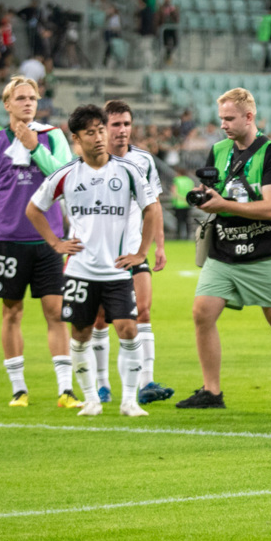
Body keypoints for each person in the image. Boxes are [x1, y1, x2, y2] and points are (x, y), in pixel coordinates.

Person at [177, 88, 271, 410]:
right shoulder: (219, 150)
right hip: (224, 249)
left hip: (264, 251)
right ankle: (212, 392)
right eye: (221, 118)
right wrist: (205, 196)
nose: (222, 124)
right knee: (202, 313)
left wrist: (222, 204)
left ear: (249, 117)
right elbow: (214, 191)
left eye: (229, 118)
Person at [24, 104, 152, 418]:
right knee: (80, 334)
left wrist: (141, 252)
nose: (98, 137)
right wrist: (55, 242)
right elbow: (33, 209)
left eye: (100, 130)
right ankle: (92, 398)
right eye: (90, 133)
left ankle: (129, 401)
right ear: (77, 139)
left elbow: (152, 209)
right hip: (80, 272)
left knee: (128, 330)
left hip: (117, 269)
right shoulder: (66, 175)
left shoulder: (127, 170)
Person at [0, 76, 77, 406]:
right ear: (7, 104)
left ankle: (65, 390)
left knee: (57, 312)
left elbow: (64, 179)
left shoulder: (53, 137)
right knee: (11, 312)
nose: (28, 103)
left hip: (48, 240)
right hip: (8, 240)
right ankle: (19, 389)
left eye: (32, 97)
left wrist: (34, 147)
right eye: (20, 98)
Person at [94, 100, 175, 404]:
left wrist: (160, 246)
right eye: (116, 124)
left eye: (126, 124)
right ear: (103, 128)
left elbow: (152, 207)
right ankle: (102, 384)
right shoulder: (91, 162)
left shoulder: (144, 161)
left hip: (135, 251)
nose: (122, 130)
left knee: (143, 310)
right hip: (101, 254)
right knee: (101, 319)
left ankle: (146, 383)